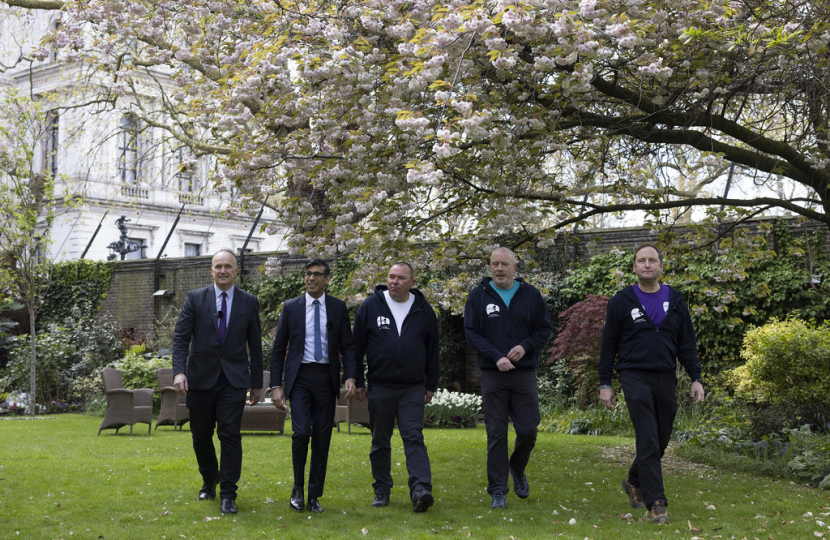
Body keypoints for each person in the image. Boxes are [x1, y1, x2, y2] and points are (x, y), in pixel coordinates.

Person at [598, 244, 705, 525]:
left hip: (665, 376)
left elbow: (687, 343)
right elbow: (608, 345)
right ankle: (656, 502)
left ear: (660, 266)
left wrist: (696, 378)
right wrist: (605, 383)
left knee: (661, 437)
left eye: (652, 260)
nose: (647, 264)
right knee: (647, 437)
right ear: (634, 267)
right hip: (634, 376)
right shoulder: (622, 300)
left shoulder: (676, 299)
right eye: (641, 260)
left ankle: (634, 480)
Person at [172, 248, 263, 515]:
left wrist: (256, 382)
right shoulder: (195, 298)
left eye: (228, 266)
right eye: (218, 266)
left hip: (233, 381)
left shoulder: (249, 301)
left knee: (230, 435)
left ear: (236, 271)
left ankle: (228, 493)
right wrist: (179, 372)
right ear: (211, 270)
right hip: (200, 379)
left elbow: (255, 346)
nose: (222, 270)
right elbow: (180, 339)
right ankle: (209, 478)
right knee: (200, 436)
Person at [269, 259, 363, 513]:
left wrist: (351, 376)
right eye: (308, 274)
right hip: (299, 378)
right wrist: (275, 386)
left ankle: (314, 495)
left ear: (327, 279)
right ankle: (298, 488)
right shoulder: (291, 308)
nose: (311, 278)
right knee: (301, 433)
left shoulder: (337, 307)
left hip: (326, 379)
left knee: (322, 437)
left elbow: (348, 346)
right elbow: (278, 350)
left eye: (316, 274)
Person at [464, 247, 553, 509]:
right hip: (493, 375)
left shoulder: (531, 295)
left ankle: (517, 466)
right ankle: (498, 490)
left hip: (524, 373)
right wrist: (496, 356)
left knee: (528, 429)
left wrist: (525, 347)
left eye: (504, 264)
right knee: (496, 433)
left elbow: (544, 329)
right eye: (494, 264)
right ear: (490, 267)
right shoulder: (478, 296)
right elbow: (472, 333)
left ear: (515, 267)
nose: (499, 269)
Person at [352, 262, 439, 513]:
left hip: (413, 386)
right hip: (380, 386)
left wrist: (431, 384)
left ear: (412, 283)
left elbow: (433, 351)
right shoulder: (370, 306)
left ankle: (421, 489)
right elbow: (355, 348)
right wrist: (358, 380)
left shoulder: (423, 309)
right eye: (391, 277)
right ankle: (381, 489)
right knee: (380, 440)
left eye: (400, 278)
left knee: (413, 436)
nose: (394, 282)